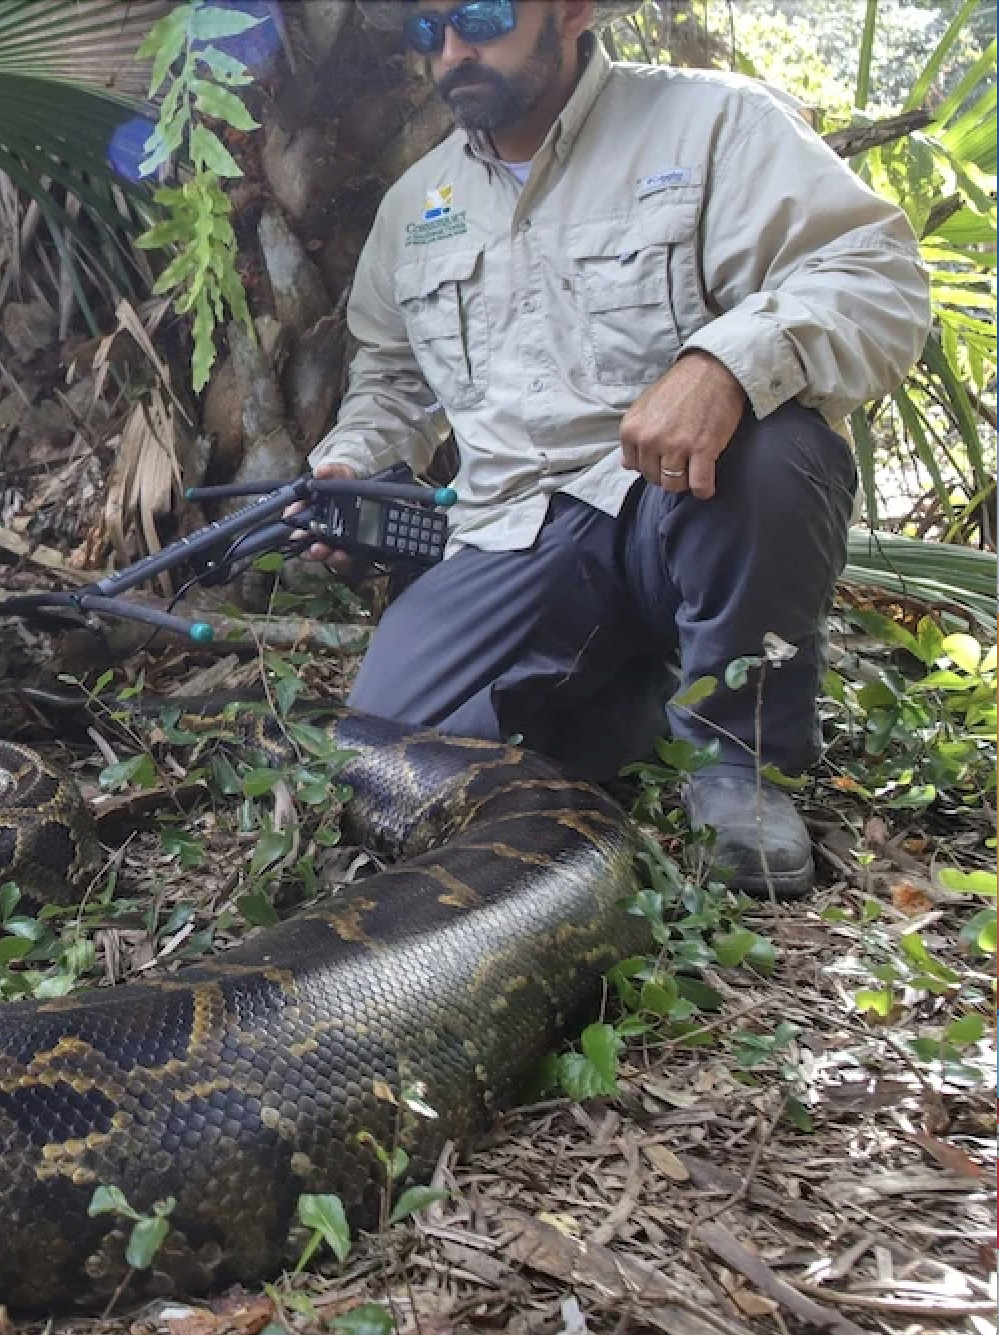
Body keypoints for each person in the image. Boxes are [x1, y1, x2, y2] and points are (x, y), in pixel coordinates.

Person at [310, 0, 932, 894]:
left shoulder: (715, 122)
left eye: (479, 15)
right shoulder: (418, 204)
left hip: (677, 497)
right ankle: (629, 702)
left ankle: (743, 765)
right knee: (384, 752)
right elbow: (392, 375)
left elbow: (874, 276)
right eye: (425, 31)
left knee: (777, 450)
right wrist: (352, 460)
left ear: (569, 11)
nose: (451, 51)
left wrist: (724, 363)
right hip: (511, 533)